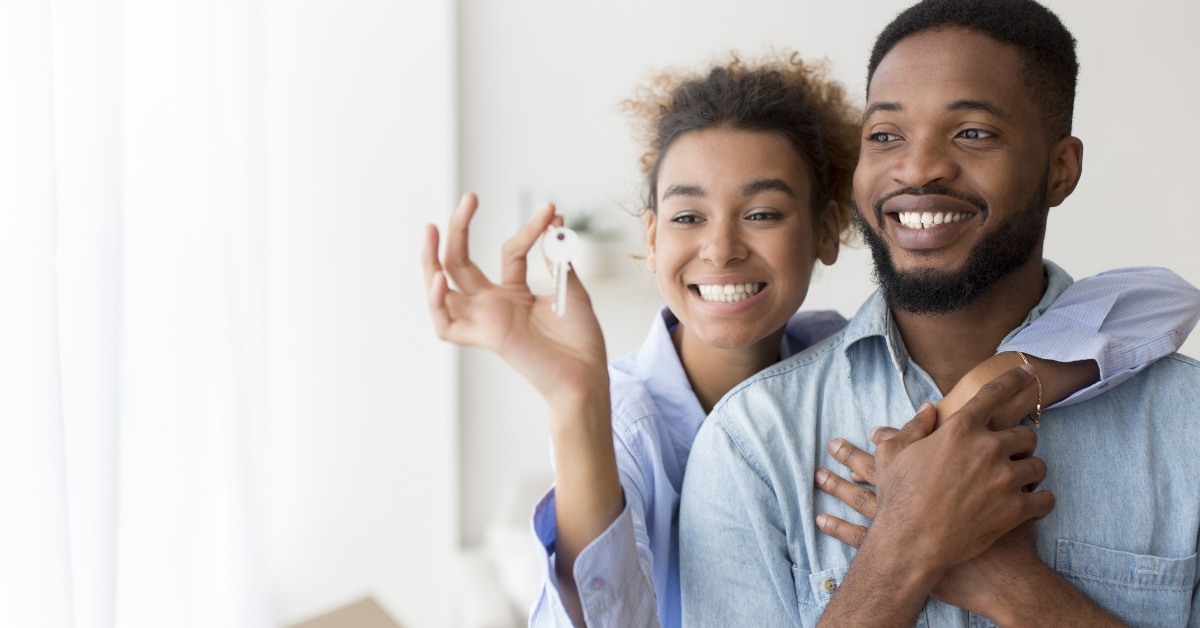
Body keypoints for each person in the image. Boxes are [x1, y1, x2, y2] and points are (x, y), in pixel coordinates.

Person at [424, 54, 1199, 627]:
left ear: (830, 232)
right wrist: (574, 399)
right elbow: (602, 615)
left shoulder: (844, 354)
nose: (722, 249)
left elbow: (1160, 299)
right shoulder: (629, 421)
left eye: (762, 213)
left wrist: (987, 390)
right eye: (688, 217)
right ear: (652, 236)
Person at [678, 1, 1200, 626]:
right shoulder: (754, 441)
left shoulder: (1186, 426)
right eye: (886, 136)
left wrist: (1012, 586)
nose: (918, 167)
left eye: (973, 132)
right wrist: (902, 550)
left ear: (1060, 170)